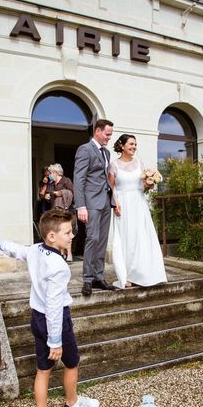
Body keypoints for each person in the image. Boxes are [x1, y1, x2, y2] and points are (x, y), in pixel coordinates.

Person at [0, 209, 99, 407]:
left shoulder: (36, 250)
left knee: (43, 370)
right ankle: (72, 403)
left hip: (37, 318)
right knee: (72, 362)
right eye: (68, 232)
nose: (72, 236)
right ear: (51, 237)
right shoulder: (58, 267)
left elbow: (17, 250)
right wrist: (55, 340)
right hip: (54, 321)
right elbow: (55, 307)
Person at [108, 134, 167, 289]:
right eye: (131, 144)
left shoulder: (139, 163)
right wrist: (115, 204)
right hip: (123, 205)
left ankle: (143, 274)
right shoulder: (114, 165)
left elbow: (143, 187)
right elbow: (111, 188)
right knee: (126, 239)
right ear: (122, 145)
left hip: (139, 203)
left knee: (141, 237)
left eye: (135, 144)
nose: (134, 147)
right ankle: (125, 276)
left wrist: (149, 183)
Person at [73, 119, 117, 295]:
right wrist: (80, 206)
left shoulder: (106, 152)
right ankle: (87, 279)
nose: (109, 138)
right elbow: (79, 179)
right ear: (97, 131)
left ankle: (99, 277)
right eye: (107, 134)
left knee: (103, 240)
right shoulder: (85, 149)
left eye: (110, 135)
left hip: (106, 201)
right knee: (92, 238)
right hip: (91, 203)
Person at [45, 163, 77, 261]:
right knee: (58, 232)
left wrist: (60, 193)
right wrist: (48, 196)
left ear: (56, 173)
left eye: (50, 173)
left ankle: (69, 253)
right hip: (55, 211)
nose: (49, 175)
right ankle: (61, 253)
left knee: (67, 232)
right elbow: (48, 194)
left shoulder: (66, 181)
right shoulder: (51, 183)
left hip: (67, 211)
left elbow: (72, 194)